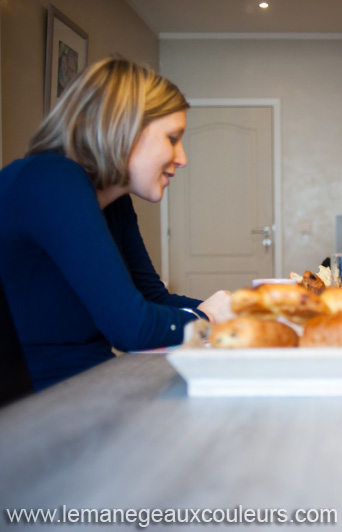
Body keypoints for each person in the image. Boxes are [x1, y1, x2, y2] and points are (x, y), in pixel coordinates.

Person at [0, 57, 235, 390]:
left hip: (93, 382)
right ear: (123, 127)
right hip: (40, 406)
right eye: (172, 137)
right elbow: (133, 329)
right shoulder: (51, 179)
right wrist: (207, 318)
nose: (182, 158)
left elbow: (151, 298)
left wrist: (245, 312)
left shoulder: (113, 202)